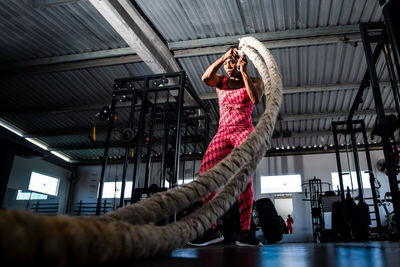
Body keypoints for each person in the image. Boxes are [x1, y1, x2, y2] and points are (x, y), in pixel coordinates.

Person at [188, 46, 263, 247]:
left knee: (243, 178)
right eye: (227, 63)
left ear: (241, 63)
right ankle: (212, 230)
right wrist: (223, 57)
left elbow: (255, 98)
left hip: (243, 131)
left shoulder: (254, 80)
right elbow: (205, 78)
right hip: (223, 132)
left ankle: (245, 232)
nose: (229, 66)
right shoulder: (221, 81)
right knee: (205, 174)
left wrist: (245, 71)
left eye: (233, 63)